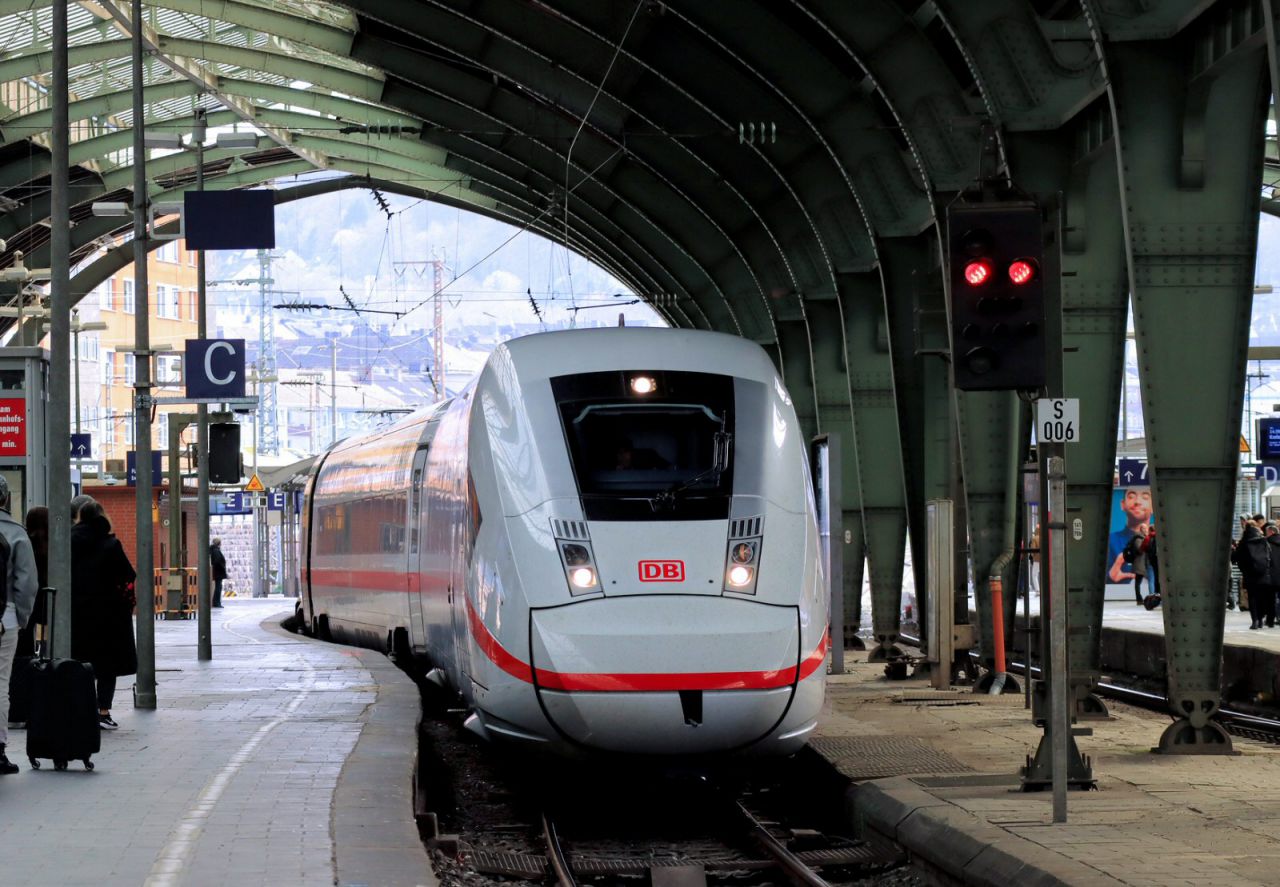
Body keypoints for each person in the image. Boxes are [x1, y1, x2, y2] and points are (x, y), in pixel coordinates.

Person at [70, 502, 137, 730]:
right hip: (109, 615)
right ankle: (103, 710)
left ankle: (82, 709)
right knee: (107, 665)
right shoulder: (111, 544)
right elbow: (128, 575)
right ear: (102, 517)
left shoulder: (69, 542)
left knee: (80, 662)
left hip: (77, 613)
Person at [0, 475, 40, 773]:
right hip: (4, 617)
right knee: (0, 684)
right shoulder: (15, 533)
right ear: (5, 499)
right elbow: (27, 583)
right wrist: (22, 618)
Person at [13, 506, 48, 659]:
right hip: (48, 598)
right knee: (48, 634)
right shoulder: (55, 545)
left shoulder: (24, 542)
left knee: (25, 637)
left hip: (29, 596)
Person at [1107, 488, 1156, 589]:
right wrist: (1110, 577)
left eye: (1145, 497)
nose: (1138, 502)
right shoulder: (1109, 541)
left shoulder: (1159, 540)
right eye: (1131, 496)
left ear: (1153, 506)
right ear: (1123, 504)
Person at [1233, 518, 1273, 629]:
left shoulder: (1243, 542)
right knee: (1262, 596)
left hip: (1249, 574)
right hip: (1263, 573)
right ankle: (1260, 619)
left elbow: (1235, 557)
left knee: (1252, 597)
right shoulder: (1263, 540)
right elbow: (1269, 556)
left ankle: (1254, 621)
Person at [1123, 524, 1150, 605]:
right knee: (1138, 582)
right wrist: (1147, 546)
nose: (1146, 530)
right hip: (1139, 564)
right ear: (1141, 529)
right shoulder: (1138, 538)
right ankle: (1139, 599)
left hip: (1143, 563)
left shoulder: (1143, 538)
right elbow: (1139, 550)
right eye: (1144, 528)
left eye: (1146, 528)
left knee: (1139, 582)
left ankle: (1140, 599)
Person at [210, 537, 227, 608]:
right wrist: (222, 567)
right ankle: (216, 603)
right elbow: (217, 561)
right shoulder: (216, 551)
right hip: (218, 572)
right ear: (219, 543)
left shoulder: (213, 550)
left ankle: (216, 602)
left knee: (218, 587)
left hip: (217, 572)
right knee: (218, 587)